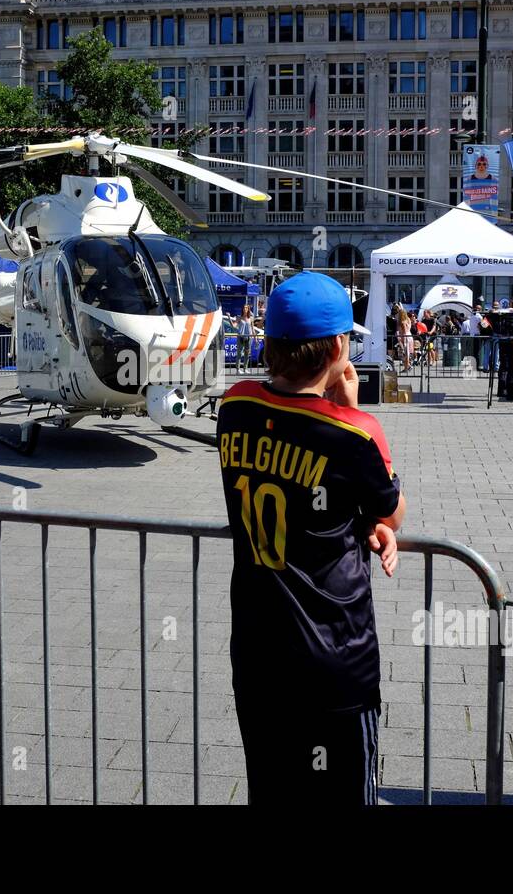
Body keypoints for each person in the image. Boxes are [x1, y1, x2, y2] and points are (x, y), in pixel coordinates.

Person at [217, 273, 405, 806]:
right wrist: (350, 408)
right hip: (334, 661)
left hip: (258, 655)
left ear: (269, 342)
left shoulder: (233, 407)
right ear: (340, 347)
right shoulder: (354, 433)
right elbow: (392, 512)